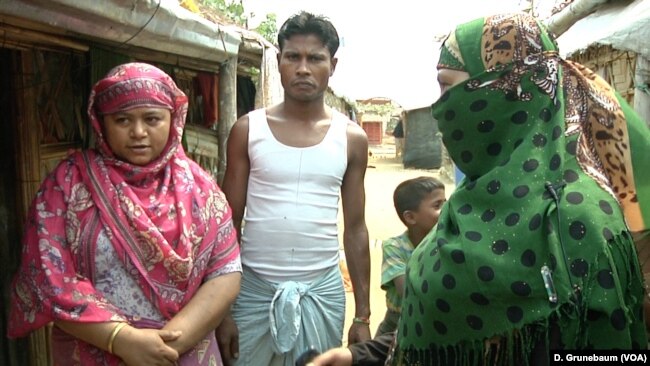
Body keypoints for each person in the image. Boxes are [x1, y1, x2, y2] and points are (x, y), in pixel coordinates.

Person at [309, 11, 650, 366]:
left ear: (504, 90)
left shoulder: (575, 219)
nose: (440, 108)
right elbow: (456, 329)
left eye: (447, 87)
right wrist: (358, 357)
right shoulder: (472, 203)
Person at [7, 62, 242, 365]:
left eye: (152, 118)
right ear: (101, 123)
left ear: (173, 119)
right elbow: (48, 276)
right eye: (122, 120)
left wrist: (167, 345)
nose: (138, 132)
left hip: (183, 353)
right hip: (93, 351)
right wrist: (121, 340)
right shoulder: (68, 185)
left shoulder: (200, 188)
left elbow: (224, 271)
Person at [216, 10, 372, 366]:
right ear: (279, 61)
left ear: (332, 65)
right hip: (251, 290)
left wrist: (362, 316)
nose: (303, 68)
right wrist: (221, 310)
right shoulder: (247, 130)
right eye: (293, 57)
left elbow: (357, 228)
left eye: (315, 58)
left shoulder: (351, 138)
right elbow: (227, 223)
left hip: (321, 291)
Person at [375, 176, 446, 337]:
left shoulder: (446, 242)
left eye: (446, 203)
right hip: (397, 323)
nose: (446, 210)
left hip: (433, 320)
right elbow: (408, 291)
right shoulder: (394, 247)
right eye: (437, 205)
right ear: (410, 217)